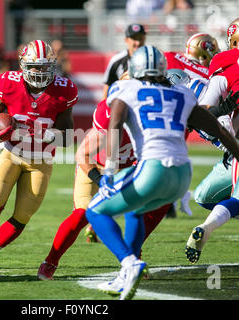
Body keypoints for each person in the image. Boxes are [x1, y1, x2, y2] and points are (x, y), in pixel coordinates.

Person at [84, 45, 239, 300]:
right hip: (181, 177)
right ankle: (127, 273)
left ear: (133, 69)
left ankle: (128, 263)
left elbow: (115, 124)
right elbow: (218, 130)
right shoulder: (182, 93)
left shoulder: (125, 88)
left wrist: (109, 171)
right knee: (137, 209)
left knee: (95, 210)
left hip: (152, 169)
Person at [37, 97, 170, 283]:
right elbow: (82, 155)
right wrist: (100, 181)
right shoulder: (109, 118)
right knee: (82, 213)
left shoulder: (153, 121)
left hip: (126, 170)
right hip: (95, 168)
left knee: (144, 209)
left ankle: (134, 258)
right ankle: (50, 261)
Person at [0, 40, 78, 270]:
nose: (40, 71)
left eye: (45, 66)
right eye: (34, 66)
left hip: (41, 160)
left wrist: (51, 136)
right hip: (12, 153)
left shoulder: (64, 90)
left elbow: (68, 134)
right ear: (23, 65)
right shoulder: (8, 82)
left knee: (23, 215)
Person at [185, 18, 239, 263]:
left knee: (212, 197)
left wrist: (226, 107)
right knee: (207, 197)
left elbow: (203, 112)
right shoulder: (222, 66)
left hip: (235, 148)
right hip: (235, 149)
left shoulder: (223, 67)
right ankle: (208, 226)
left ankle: (207, 226)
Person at [163, 33, 220, 218]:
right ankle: (168, 200)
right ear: (204, 51)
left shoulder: (171, 56)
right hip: (187, 119)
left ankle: (165, 200)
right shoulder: (209, 74)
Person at [102, 23, 146, 100]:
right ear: (126, 40)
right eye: (134, 39)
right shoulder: (117, 60)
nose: (138, 43)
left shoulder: (152, 59)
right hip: (123, 105)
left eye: (140, 38)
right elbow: (106, 91)